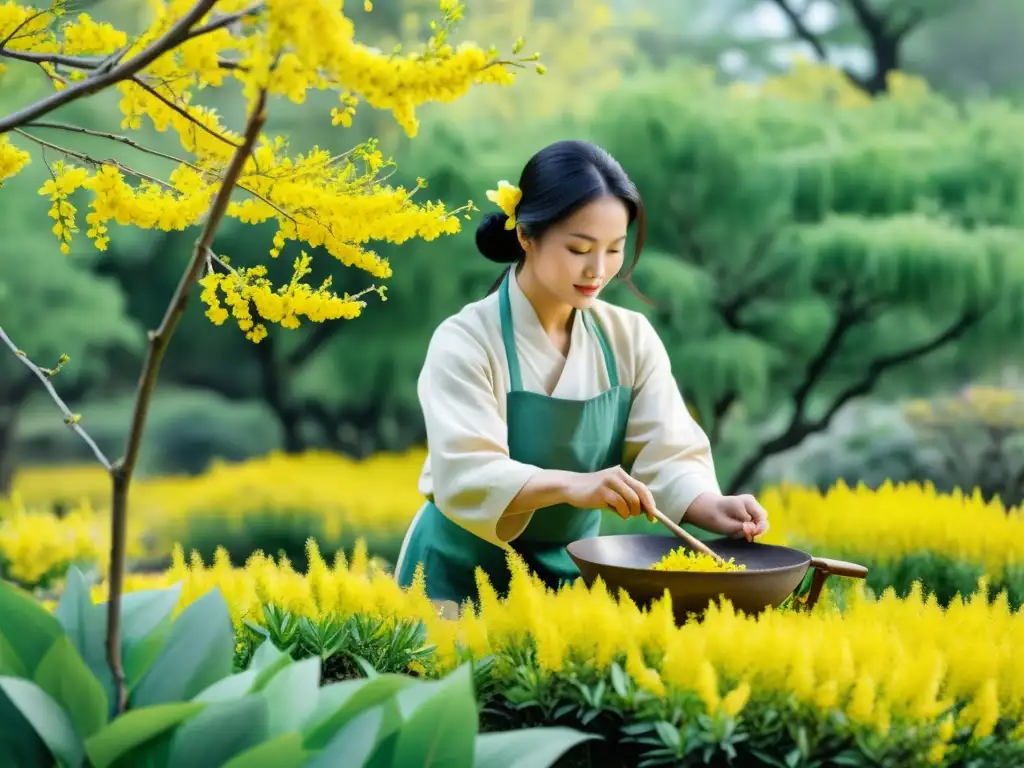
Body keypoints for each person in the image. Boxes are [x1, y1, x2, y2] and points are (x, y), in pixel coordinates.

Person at [394, 139, 769, 604]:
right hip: (456, 575)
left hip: (570, 577)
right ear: (527, 237)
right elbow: (467, 471)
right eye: (579, 248)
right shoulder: (466, 339)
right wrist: (574, 485)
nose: (598, 269)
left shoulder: (628, 338)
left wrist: (711, 506)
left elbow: (669, 451)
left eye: (614, 250)